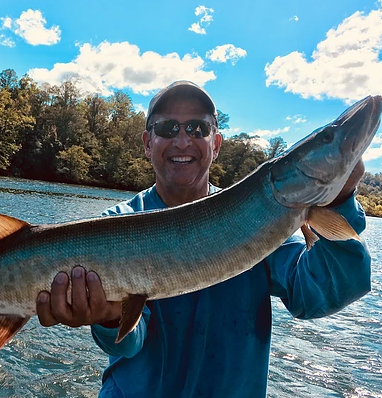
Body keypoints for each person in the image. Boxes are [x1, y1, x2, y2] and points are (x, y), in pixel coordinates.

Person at [35, 81, 371, 397]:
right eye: (168, 128)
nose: (182, 141)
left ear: (216, 143)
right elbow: (129, 343)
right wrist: (108, 318)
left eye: (198, 128)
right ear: (147, 143)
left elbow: (319, 294)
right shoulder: (115, 225)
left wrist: (340, 199)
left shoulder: (263, 215)